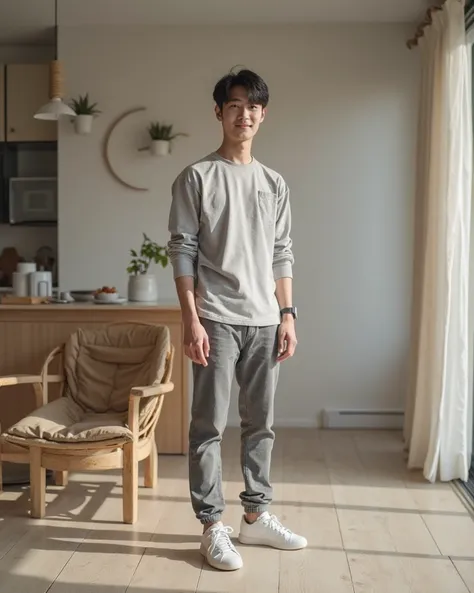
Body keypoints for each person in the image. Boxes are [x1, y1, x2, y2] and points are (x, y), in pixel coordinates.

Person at [167, 67, 306, 572]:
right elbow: (182, 251)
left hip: (266, 320)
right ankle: (211, 526)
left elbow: (281, 253)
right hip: (215, 318)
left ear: (262, 115)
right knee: (207, 426)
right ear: (219, 112)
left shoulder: (274, 183)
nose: (243, 113)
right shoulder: (197, 177)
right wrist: (191, 320)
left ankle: (256, 516)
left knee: (260, 424)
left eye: (253, 106)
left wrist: (287, 314)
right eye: (234, 104)